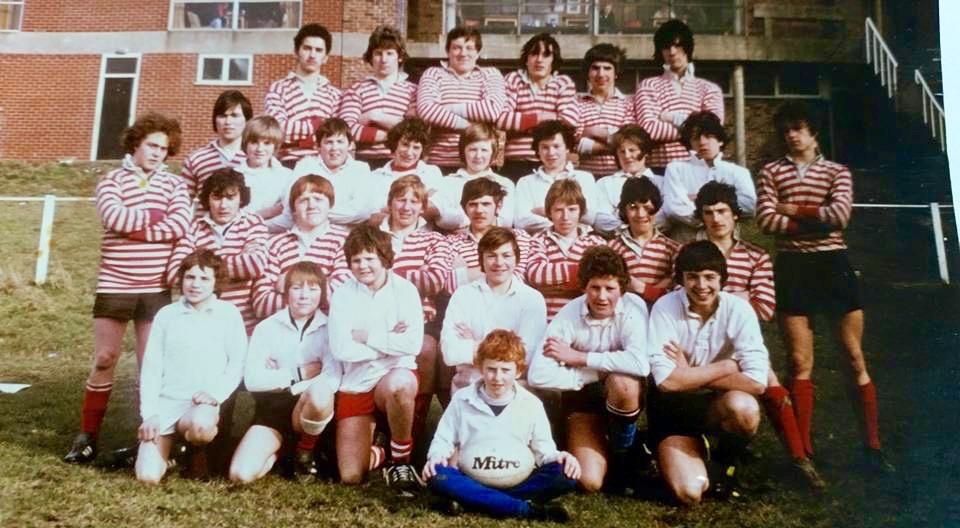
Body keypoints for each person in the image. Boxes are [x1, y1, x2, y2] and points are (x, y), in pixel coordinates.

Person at [756, 102, 894, 473]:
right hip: (793, 267)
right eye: (786, 129)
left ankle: (872, 447)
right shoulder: (771, 171)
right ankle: (804, 454)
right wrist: (816, 216)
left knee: (853, 357)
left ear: (813, 132)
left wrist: (795, 210)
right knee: (800, 361)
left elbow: (841, 217)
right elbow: (766, 219)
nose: (791, 135)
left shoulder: (838, 171)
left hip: (833, 265)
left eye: (798, 128)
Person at [65, 113, 191, 464]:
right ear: (136, 143)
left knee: (151, 365)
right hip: (115, 282)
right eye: (151, 145)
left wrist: (142, 230)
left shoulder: (175, 186)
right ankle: (87, 436)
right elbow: (113, 218)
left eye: (163, 149)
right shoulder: (111, 180)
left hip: (155, 287)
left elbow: (181, 224)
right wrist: (157, 222)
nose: (156, 153)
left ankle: (148, 437)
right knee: (105, 359)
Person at [694, 181, 824, 487]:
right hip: (699, 338)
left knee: (767, 378)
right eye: (709, 212)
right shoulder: (691, 253)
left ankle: (799, 459)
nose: (716, 219)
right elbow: (685, 297)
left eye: (722, 211)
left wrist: (721, 300)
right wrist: (739, 296)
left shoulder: (755, 256)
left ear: (735, 215)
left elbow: (764, 307)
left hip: (740, 339)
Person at [646, 241, 768, 505]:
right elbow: (667, 382)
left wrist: (689, 372)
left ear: (722, 279)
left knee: (744, 408)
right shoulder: (665, 307)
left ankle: (726, 465)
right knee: (689, 493)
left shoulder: (739, 309)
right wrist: (726, 366)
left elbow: (758, 382)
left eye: (710, 277)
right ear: (681, 279)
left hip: (715, 406)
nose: (702, 286)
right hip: (673, 411)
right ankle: (694, 454)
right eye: (693, 277)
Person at [527, 246, 649, 492]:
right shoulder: (570, 313)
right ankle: (593, 445)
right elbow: (538, 374)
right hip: (584, 398)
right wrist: (595, 373)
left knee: (623, 382)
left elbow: (640, 364)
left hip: (622, 393)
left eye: (610, 288)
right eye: (595, 287)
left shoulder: (634, 307)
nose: (602, 297)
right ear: (584, 287)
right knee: (590, 481)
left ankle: (623, 453)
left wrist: (579, 357)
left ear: (622, 288)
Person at [423, 330, 580, 521]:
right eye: (491, 369)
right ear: (480, 368)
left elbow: (544, 448)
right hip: (472, 477)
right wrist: (437, 457)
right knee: (438, 476)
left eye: (505, 370)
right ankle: (526, 510)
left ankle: (470, 500)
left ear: (519, 371)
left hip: (517, 479)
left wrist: (559, 456)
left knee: (565, 474)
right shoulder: (462, 399)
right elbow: (443, 439)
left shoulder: (531, 404)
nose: (497, 377)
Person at [135, 250, 247, 484]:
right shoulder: (167, 315)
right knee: (147, 477)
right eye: (190, 277)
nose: (196, 285)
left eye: (204, 279)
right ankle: (173, 452)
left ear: (216, 282)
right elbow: (152, 368)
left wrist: (215, 394)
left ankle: (195, 450)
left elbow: (237, 363)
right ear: (181, 279)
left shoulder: (228, 314)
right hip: (167, 404)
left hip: (199, 407)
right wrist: (150, 414)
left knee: (201, 426)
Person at [329, 225, 424, 492]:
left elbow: (412, 345)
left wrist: (367, 336)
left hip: (394, 373)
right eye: (356, 260)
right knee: (351, 476)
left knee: (400, 386)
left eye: (369, 258)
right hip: (356, 381)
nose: (362, 266)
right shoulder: (343, 293)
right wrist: (389, 342)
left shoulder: (405, 290)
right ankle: (379, 450)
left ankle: (400, 460)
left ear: (383, 257)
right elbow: (342, 350)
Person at [229, 262, 343, 484]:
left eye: (312, 288)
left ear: (322, 293)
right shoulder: (266, 328)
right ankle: (285, 453)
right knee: (240, 474)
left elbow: (332, 377)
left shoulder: (330, 328)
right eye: (297, 287)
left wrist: (293, 387)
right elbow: (252, 380)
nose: (304, 295)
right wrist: (300, 373)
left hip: (312, 412)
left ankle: (305, 450)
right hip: (273, 412)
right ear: (286, 292)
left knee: (320, 392)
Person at [441, 227, 547, 393]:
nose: (499, 263)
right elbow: (451, 353)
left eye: (506, 256)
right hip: (468, 387)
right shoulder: (463, 295)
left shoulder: (532, 299)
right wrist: (508, 347)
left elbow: (526, 356)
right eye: (491, 256)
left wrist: (475, 345)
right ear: (481, 260)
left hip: (515, 389)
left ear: (516, 259)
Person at [166, 168, 268, 334]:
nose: (223, 205)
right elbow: (175, 274)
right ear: (207, 199)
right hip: (200, 325)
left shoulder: (253, 223)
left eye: (230, 197)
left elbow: (254, 264)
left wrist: (200, 264)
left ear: (241, 198)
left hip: (245, 325)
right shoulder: (194, 228)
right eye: (217, 197)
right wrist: (236, 264)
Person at [251, 174, 349, 320]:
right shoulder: (275, 245)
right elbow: (262, 304)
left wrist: (289, 284)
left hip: (326, 331)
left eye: (318, 199)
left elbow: (341, 297)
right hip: (283, 332)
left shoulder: (344, 241)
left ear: (330, 204)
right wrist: (321, 284)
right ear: (294, 208)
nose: (311, 206)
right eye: (303, 200)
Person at [634, 19, 725, 173]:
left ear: (688, 47)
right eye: (666, 47)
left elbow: (712, 129)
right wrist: (692, 129)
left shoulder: (709, 89)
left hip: (700, 169)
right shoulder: (648, 86)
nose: (672, 52)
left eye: (677, 45)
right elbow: (649, 130)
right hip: (659, 170)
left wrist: (668, 117)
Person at [416, 26, 506, 171]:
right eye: (456, 48)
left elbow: (492, 109)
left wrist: (447, 109)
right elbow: (426, 110)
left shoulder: (490, 74)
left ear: (478, 52)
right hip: (440, 162)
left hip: (481, 163)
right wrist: (469, 127)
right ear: (447, 51)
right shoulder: (433, 74)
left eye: (469, 48)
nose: (463, 53)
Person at [662, 111, 755, 243]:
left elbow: (749, 207)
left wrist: (696, 199)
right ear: (689, 142)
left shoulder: (737, 172)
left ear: (720, 140)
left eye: (708, 136)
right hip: (686, 243)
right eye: (696, 138)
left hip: (726, 245)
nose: (702, 142)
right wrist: (722, 211)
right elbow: (673, 208)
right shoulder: (676, 169)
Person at [496, 33, 578, 180]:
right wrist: (545, 117)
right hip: (516, 162)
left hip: (551, 162)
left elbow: (570, 120)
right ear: (526, 59)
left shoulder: (563, 83)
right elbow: (502, 119)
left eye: (546, 55)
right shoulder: (513, 80)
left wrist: (521, 123)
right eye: (534, 54)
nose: (539, 60)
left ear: (554, 60)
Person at [525, 179, 606, 321]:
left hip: (585, 322)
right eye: (558, 210)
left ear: (581, 211)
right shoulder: (539, 240)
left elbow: (602, 279)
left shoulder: (595, 242)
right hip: (548, 320)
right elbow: (535, 274)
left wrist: (552, 285)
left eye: (572, 209)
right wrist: (583, 276)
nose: (565, 217)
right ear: (549, 212)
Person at [338, 25, 418, 169]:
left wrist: (373, 116)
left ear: (399, 57)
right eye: (378, 53)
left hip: (402, 163)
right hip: (365, 164)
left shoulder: (413, 91)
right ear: (371, 57)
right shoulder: (357, 90)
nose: (383, 59)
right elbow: (345, 130)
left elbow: (414, 131)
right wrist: (391, 134)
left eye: (390, 53)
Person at [265, 23, 342, 165]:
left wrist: (297, 140)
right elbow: (278, 131)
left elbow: (337, 137)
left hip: (324, 167)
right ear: (296, 51)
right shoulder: (278, 89)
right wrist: (319, 125)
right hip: (288, 164)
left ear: (326, 57)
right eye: (307, 48)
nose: (312, 55)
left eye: (319, 50)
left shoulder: (335, 95)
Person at [514, 120, 606, 234]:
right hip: (539, 243)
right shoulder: (526, 182)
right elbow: (521, 221)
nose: (551, 152)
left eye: (556, 146)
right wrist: (565, 221)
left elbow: (590, 216)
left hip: (579, 240)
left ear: (567, 148)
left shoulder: (584, 178)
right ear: (538, 150)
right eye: (545, 147)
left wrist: (543, 212)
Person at [368, 117, 459, 229]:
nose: (409, 152)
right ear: (395, 144)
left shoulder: (431, 172)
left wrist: (389, 210)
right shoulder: (376, 176)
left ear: (422, 150)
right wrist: (418, 207)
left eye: (416, 147)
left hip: (421, 238)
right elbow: (371, 218)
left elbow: (436, 209)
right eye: (405, 145)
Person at [445, 178, 531, 294]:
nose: (479, 210)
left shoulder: (519, 237)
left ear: (498, 206)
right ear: (464, 208)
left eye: (486, 204)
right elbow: (450, 285)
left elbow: (517, 280)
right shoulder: (451, 242)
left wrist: (464, 274)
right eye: (472, 204)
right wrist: (500, 272)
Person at [607, 177, 679, 308]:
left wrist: (642, 288)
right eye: (633, 207)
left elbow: (676, 291)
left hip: (661, 313)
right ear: (624, 210)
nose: (640, 214)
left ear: (656, 209)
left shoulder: (672, 248)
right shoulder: (611, 248)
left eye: (647, 208)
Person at [291, 118, 375, 227]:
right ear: (318, 146)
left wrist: (312, 213)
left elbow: (362, 212)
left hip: (347, 235)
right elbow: (292, 207)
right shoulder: (305, 166)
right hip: (310, 233)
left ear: (350, 145)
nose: (334, 148)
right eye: (328, 142)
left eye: (340, 142)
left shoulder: (361, 169)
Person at [441, 123, 518, 230]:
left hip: (493, 240)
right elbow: (443, 219)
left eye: (484, 150)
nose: (478, 156)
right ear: (463, 151)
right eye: (472, 150)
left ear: (493, 153)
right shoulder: (447, 182)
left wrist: (462, 222)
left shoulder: (505, 183)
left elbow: (505, 221)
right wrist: (485, 218)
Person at [180, 90, 252, 204]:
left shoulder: (256, 157)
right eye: (223, 116)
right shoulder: (196, 159)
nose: (228, 122)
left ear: (247, 120)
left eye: (234, 115)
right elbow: (182, 203)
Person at [575, 43, 634, 178]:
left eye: (607, 68)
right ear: (588, 73)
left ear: (616, 73)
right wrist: (614, 142)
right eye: (595, 68)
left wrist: (592, 132)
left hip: (620, 177)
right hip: (587, 178)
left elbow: (630, 141)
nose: (601, 74)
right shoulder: (576, 103)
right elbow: (577, 144)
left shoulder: (628, 104)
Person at [595, 124, 664, 232]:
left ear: (645, 152)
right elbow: (601, 219)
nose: (627, 156)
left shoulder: (661, 182)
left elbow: (665, 216)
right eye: (622, 151)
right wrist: (629, 231)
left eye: (632, 150)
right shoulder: (605, 183)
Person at [235, 115, 295, 233]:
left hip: (276, 238)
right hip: (240, 238)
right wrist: (269, 212)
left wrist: (252, 222)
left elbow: (288, 217)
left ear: (275, 146)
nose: (260, 149)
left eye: (267, 143)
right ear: (245, 144)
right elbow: (232, 219)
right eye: (254, 142)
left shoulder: (287, 176)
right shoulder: (234, 176)